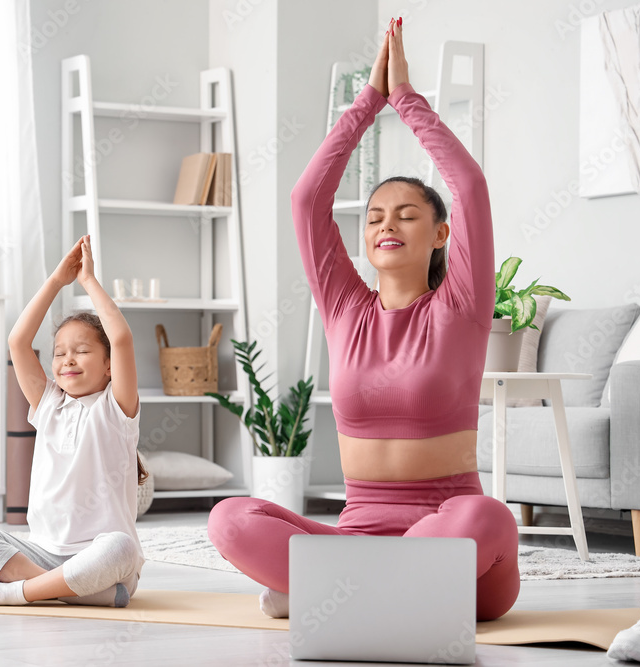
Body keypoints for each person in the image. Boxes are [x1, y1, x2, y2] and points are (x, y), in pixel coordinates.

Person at [207, 18, 521, 621]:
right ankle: (381, 593)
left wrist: (404, 99)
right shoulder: (345, 306)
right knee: (231, 518)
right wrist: (364, 104)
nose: (386, 225)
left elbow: (470, 186)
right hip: (356, 540)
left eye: (407, 215)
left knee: (486, 517)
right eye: (375, 216)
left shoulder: (461, 304)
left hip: (456, 544)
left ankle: (330, 592)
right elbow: (308, 201)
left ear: (440, 234)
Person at [0, 234, 147, 608]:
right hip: (41, 553)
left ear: (108, 366)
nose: (68, 359)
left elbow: (121, 338)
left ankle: (13, 594)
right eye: (59, 353)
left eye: (82, 350)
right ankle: (67, 591)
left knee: (122, 546)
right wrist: (56, 280)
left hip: (101, 555)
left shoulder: (115, 408)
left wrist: (88, 281)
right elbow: (18, 342)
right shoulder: (49, 402)